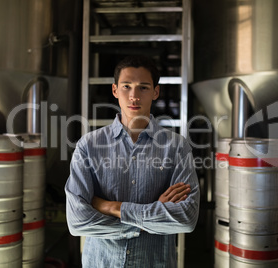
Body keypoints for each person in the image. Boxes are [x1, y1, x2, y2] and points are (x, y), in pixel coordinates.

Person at [65, 55, 200, 267]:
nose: (134, 96)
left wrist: (110, 207)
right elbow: (78, 222)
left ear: (156, 92)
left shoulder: (176, 147)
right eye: (126, 86)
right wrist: (147, 220)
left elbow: (185, 218)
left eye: (143, 87)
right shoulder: (88, 146)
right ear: (115, 90)